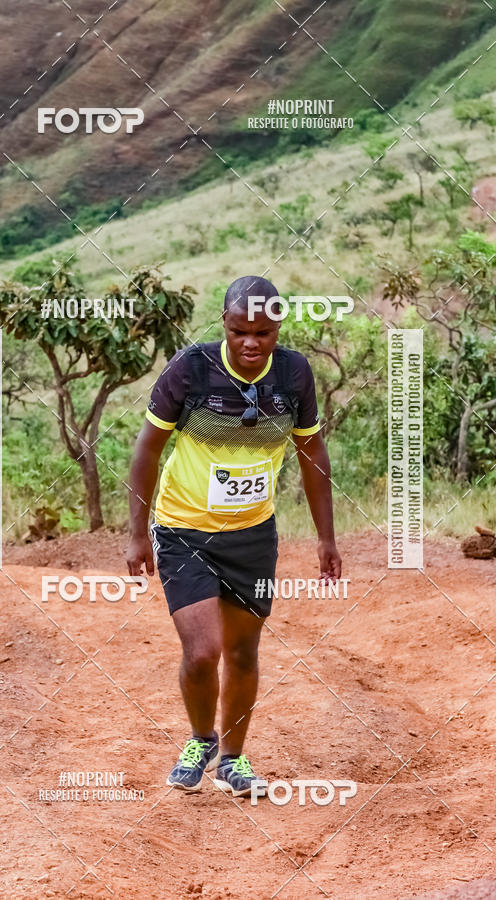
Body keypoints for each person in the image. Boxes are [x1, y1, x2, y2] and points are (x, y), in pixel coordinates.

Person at [126, 275, 341, 797]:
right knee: (203, 652)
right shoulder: (191, 370)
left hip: (252, 535)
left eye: (263, 333)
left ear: (277, 331)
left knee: (243, 653)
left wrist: (325, 538)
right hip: (182, 529)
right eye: (241, 329)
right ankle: (201, 738)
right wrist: (136, 533)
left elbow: (312, 456)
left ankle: (233, 759)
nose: (251, 341)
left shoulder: (292, 375)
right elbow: (147, 450)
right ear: (223, 322)